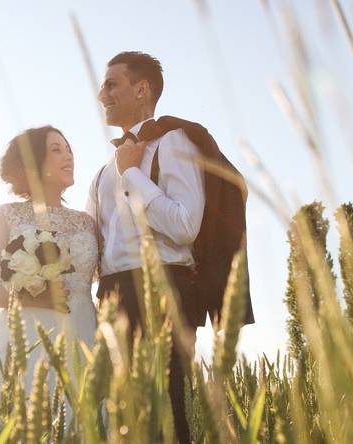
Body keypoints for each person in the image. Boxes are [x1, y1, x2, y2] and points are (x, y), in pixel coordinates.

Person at [86, 51, 255, 443]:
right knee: (118, 418)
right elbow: (97, 246)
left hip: (164, 292)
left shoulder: (175, 142)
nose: (101, 95)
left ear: (142, 89)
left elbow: (183, 226)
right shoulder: (101, 169)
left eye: (112, 84)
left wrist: (131, 173)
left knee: (165, 414)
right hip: (110, 296)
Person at [0, 126, 98, 412]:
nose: (68, 156)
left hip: (83, 335)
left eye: (69, 150)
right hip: (25, 337)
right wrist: (21, 296)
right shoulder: (7, 216)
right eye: (56, 150)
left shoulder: (87, 223)